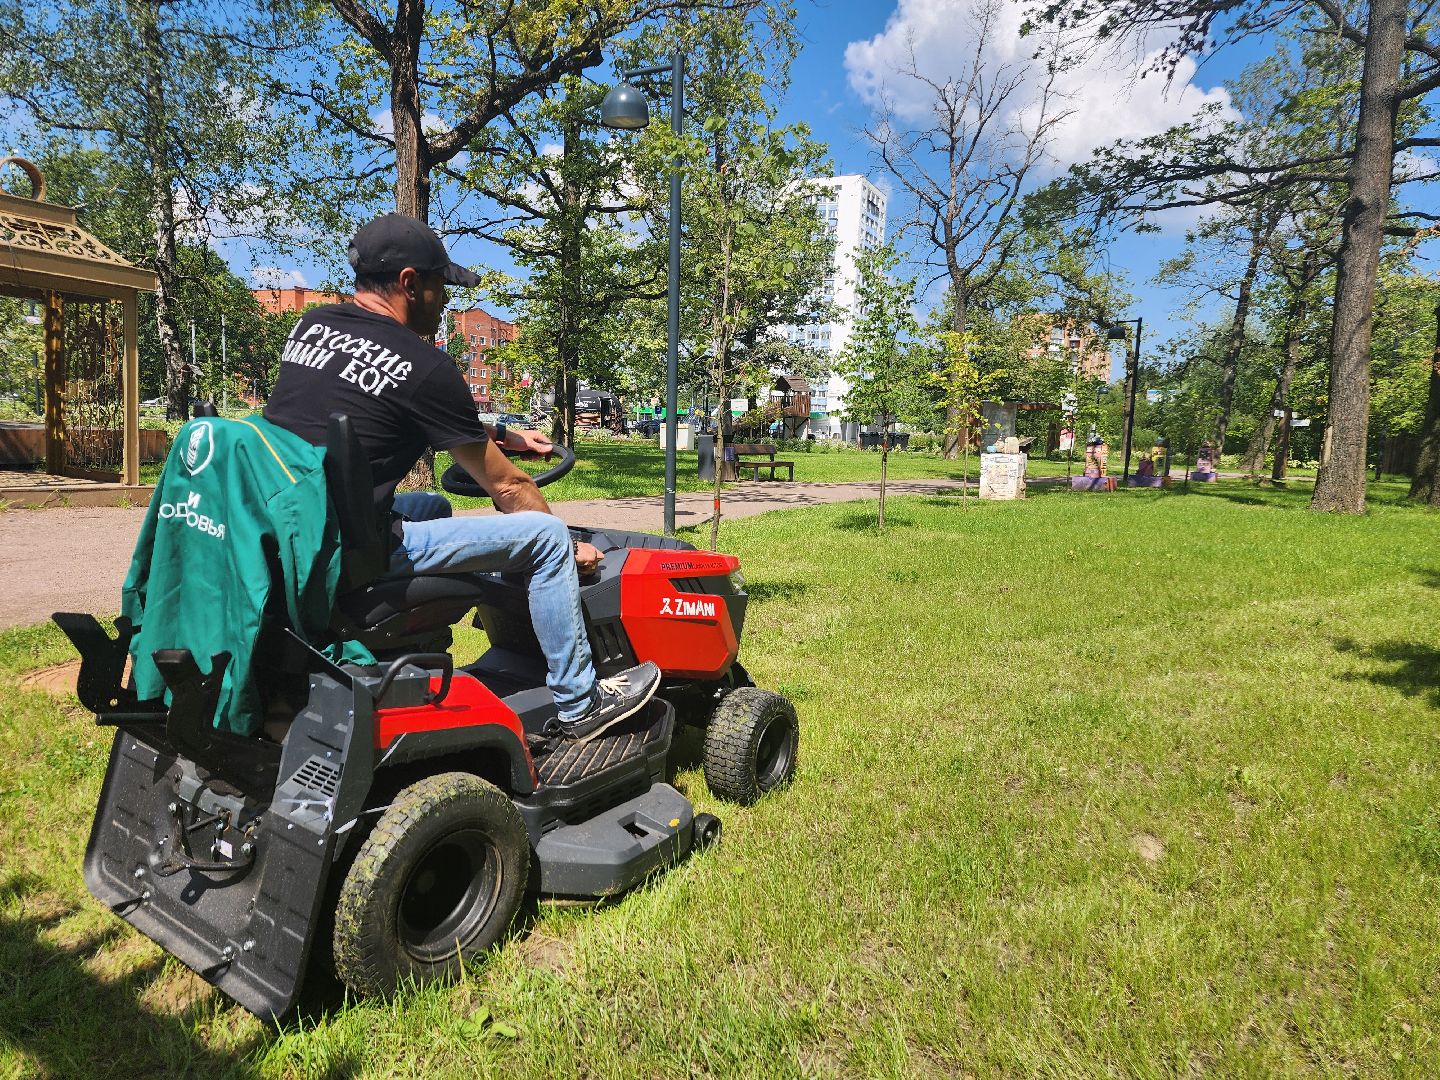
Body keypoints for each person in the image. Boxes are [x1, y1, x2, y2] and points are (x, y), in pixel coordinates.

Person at [263, 213, 659, 741]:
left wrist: (501, 433)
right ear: (409, 283)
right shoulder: (425, 366)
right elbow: (510, 488)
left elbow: (380, 403)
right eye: (439, 285)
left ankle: (428, 659)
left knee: (431, 504)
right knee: (543, 539)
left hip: (296, 526)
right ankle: (580, 703)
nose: (446, 298)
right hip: (350, 549)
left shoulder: (313, 327)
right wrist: (572, 548)